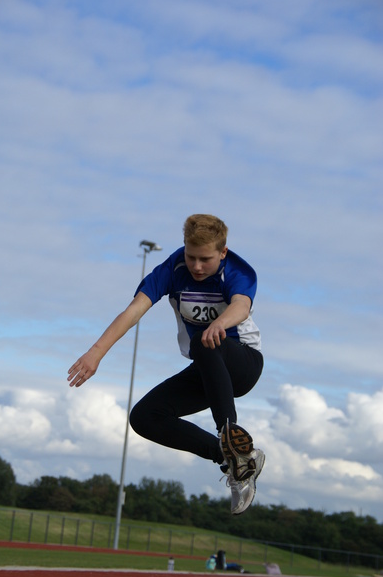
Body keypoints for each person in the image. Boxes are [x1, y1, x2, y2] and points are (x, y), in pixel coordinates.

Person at [68, 214, 265, 515]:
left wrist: (219, 325)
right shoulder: (172, 269)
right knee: (145, 416)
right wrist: (96, 352)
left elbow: (241, 305)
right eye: (191, 257)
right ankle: (235, 461)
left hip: (243, 362)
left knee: (204, 340)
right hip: (207, 367)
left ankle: (230, 436)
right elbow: (134, 311)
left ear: (222, 253)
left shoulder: (237, 270)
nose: (197, 267)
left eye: (206, 259)